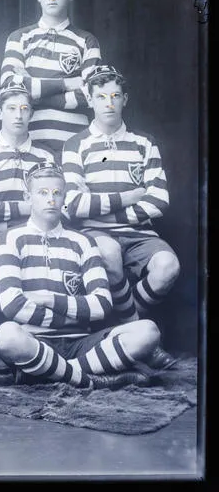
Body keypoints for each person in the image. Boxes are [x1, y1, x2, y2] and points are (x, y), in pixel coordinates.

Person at [0, 160, 157, 389]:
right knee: (6, 335)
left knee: (147, 332)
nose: (51, 199)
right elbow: (12, 305)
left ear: (64, 198)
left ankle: (53, 372)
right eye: (42, 192)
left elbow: (101, 305)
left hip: (80, 342)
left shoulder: (83, 242)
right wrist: (74, 314)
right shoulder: (10, 239)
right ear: (28, 197)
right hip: (34, 340)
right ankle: (87, 379)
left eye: (57, 193)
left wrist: (49, 299)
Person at [61, 65, 179, 370]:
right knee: (109, 253)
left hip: (140, 233)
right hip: (95, 234)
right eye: (101, 97)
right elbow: (74, 204)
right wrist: (126, 198)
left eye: (115, 95)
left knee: (168, 267)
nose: (109, 103)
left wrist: (106, 209)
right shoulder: (76, 144)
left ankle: (125, 323)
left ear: (125, 99)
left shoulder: (144, 142)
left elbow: (159, 199)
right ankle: (143, 340)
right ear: (90, 100)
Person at [0, 77, 55, 313]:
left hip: (36, 230)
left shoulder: (45, 155)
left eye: (24, 109)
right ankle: (2, 319)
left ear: (31, 114)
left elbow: (57, 205)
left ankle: (37, 323)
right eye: (11, 109)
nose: (18, 115)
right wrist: (31, 207)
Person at [0, 0, 102, 160]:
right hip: (30, 138)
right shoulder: (19, 37)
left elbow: (89, 95)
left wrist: (34, 90)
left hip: (72, 140)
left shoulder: (87, 40)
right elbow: (9, 85)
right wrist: (66, 84)